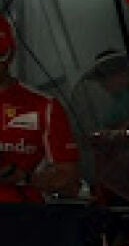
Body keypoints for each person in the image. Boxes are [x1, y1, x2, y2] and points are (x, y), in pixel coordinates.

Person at [0, 15, 82, 203]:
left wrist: (24, 177)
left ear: (10, 54)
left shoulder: (44, 106)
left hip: (22, 217)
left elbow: (69, 180)